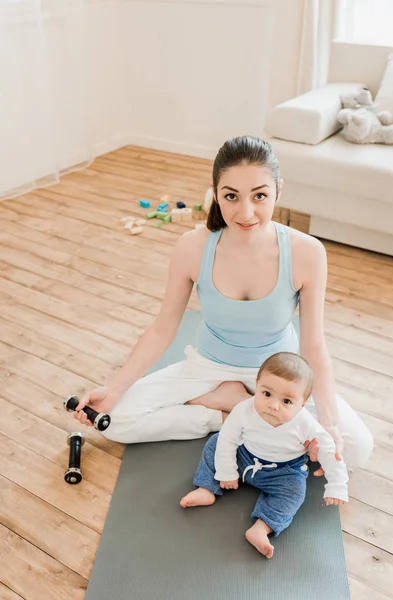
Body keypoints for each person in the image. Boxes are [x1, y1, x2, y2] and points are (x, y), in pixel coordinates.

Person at [72, 135, 373, 472]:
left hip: (279, 375)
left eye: (260, 196)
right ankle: (226, 413)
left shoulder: (307, 252)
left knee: (357, 448)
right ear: (215, 193)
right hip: (208, 368)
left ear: (278, 190)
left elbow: (314, 345)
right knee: (113, 420)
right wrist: (113, 389)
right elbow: (162, 329)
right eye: (231, 196)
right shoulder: (192, 247)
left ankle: (243, 411)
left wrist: (329, 422)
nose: (246, 213)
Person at [180, 352, 349, 559]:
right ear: (257, 385)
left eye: (286, 401)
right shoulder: (244, 410)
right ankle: (206, 487)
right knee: (215, 443)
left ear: (302, 404)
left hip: (283, 471)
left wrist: (337, 485)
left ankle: (262, 527)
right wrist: (226, 471)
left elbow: (329, 450)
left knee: (294, 492)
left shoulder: (305, 424)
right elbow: (228, 439)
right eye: (267, 394)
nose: (273, 405)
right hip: (245, 458)